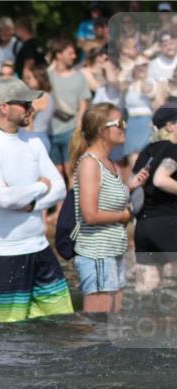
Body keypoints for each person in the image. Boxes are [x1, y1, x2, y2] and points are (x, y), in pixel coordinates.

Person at [0, 78, 70, 322]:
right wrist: (39, 186)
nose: (32, 108)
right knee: (7, 336)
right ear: (3, 107)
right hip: (3, 253)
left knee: (61, 323)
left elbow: (60, 188)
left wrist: (32, 203)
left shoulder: (33, 141)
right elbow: (3, 198)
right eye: (25, 104)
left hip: (40, 247)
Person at [70, 103, 149, 313]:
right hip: (96, 253)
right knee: (97, 328)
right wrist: (125, 215)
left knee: (114, 325)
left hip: (114, 250)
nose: (125, 127)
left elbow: (105, 197)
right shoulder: (89, 163)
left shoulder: (110, 163)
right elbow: (90, 215)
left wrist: (129, 187)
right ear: (100, 130)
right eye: (119, 123)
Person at [132, 105, 177, 291]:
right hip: (168, 224)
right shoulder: (174, 149)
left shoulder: (145, 152)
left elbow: (134, 189)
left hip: (143, 228)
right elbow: (160, 180)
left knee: (145, 291)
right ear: (171, 126)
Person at [48, 38, 91, 179]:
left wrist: (79, 128)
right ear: (59, 55)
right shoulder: (48, 76)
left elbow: (83, 105)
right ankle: (60, 201)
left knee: (70, 169)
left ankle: (72, 199)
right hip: (50, 130)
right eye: (70, 53)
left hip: (70, 129)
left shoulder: (79, 77)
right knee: (55, 170)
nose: (74, 56)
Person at [123, 56, 157, 168]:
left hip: (145, 121)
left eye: (144, 65)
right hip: (132, 121)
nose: (142, 68)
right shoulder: (130, 84)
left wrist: (142, 76)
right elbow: (118, 81)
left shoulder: (150, 81)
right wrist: (131, 65)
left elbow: (148, 91)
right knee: (132, 157)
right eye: (139, 65)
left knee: (145, 156)